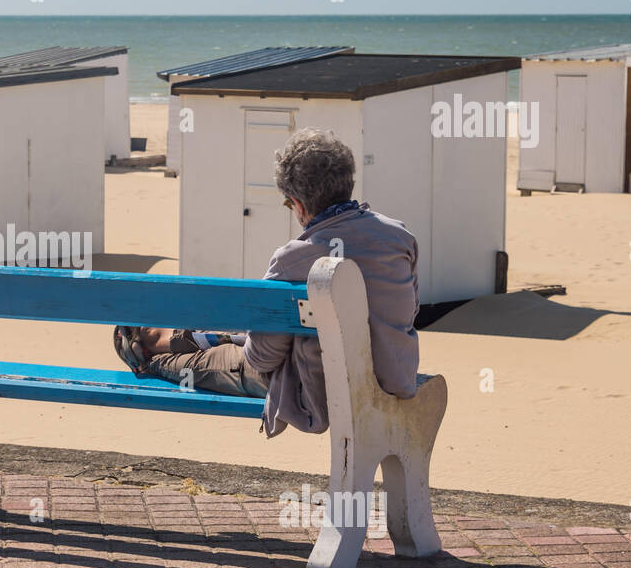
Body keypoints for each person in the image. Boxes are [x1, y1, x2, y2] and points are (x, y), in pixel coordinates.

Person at [113, 128, 420, 438]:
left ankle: (152, 359)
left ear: (299, 204)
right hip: (394, 378)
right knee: (261, 333)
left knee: (224, 358)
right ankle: (183, 339)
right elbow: (410, 311)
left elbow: (261, 359)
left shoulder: (292, 260)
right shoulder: (399, 236)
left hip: (320, 392)